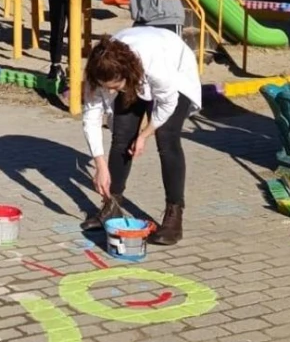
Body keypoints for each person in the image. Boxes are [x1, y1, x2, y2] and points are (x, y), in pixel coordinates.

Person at [78, 26, 202, 246]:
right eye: (108, 89)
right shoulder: (98, 72)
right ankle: (112, 206)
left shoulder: (156, 67)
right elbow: (91, 117)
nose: (112, 92)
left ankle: (174, 215)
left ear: (126, 76)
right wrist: (100, 164)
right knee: (121, 136)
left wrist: (145, 134)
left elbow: (167, 104)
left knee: (167, 138)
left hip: (175, 69)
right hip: (133, 70)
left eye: (115, 87)